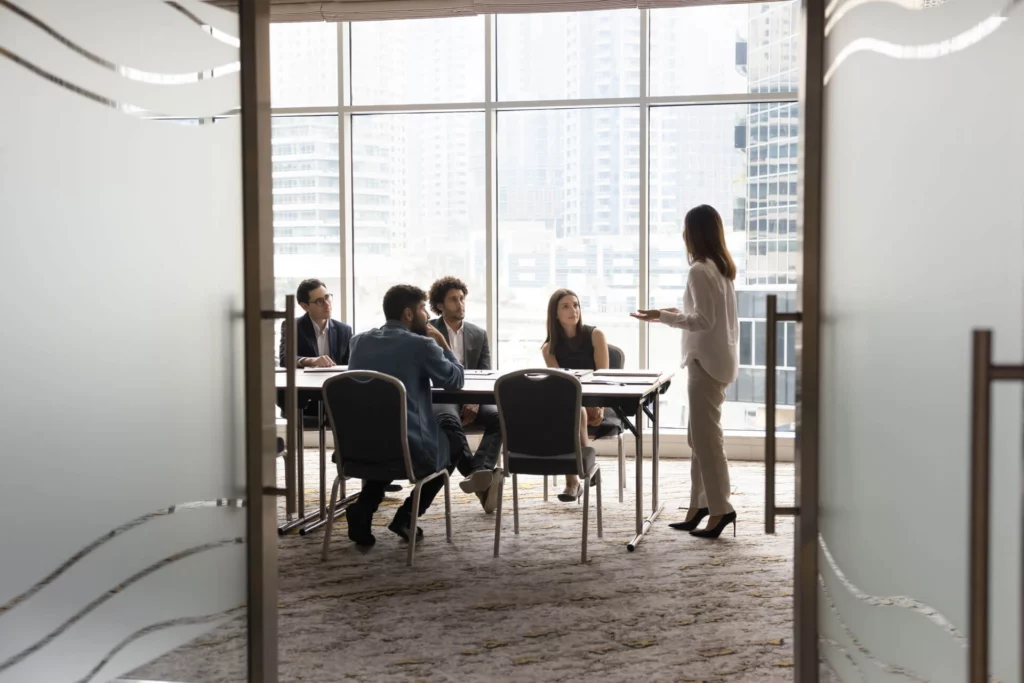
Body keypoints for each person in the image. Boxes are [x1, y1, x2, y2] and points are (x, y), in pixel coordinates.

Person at [632, 204, 739, 539]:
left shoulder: (699, 270)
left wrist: (663, 318)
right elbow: (705, 313)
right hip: (719, 361)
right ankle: (700, 506)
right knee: (700, 438)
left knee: (706, 441)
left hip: (704, 363)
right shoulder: (720, 269)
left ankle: (721, 509)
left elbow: (703, 321)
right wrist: (667, 312)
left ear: (693, 233)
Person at [343, 284, 471, 548]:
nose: (426, 314)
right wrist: (444, 344)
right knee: (454, 443)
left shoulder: (358, 341)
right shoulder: (422, 345)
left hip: (359, 446)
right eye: (423, 308)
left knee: (386, 435)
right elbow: (456, 380)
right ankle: (407, 516)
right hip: (409, 451)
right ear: (409, 314)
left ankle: (364, 508)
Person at [428, 276, 503, 513]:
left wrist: (473, 400)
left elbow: (486, 374)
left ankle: (479, 471)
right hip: (442, 395)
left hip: (474, 395)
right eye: (453, 300)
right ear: (440, 305)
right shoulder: (427, 331)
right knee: (448, 421)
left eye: (462, 298)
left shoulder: (478, 334)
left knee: (501, 417)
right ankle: (479, 478)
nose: (460, 304)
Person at [540, 289, 609, 502]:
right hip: (572, 404)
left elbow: (604, 378)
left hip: (600, 401)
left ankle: (573, 482)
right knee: (571, 410)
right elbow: (563, 386)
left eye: (576, 305)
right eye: (566, 306)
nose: (573, 310)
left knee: (569, 413)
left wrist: (600, 405)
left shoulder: (595, 335)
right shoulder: (548, 348)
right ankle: (585, 467)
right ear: (555, 313)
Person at [278, 279, 352, 369]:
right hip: (305, 382)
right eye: (319, 301)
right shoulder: (292, 326)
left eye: (327, 297)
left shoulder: (344, 330)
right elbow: (285, 359)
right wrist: (312, 361)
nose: (327, 304)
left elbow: (351, 365)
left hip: (335, 382)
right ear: (305, 306)